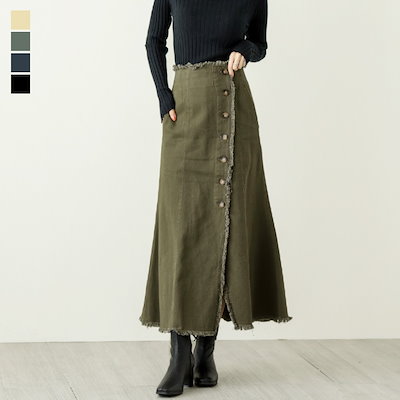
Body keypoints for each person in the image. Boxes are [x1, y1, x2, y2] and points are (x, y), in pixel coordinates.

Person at [139, 0, 293, 396]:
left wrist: (245, 49)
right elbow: (154, 40)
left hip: (233, 109)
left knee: (227, 227)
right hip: (185, 109)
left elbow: (259, 42)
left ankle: (205, 350)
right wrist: (164, 97)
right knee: (182, 230)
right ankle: (179, 353)